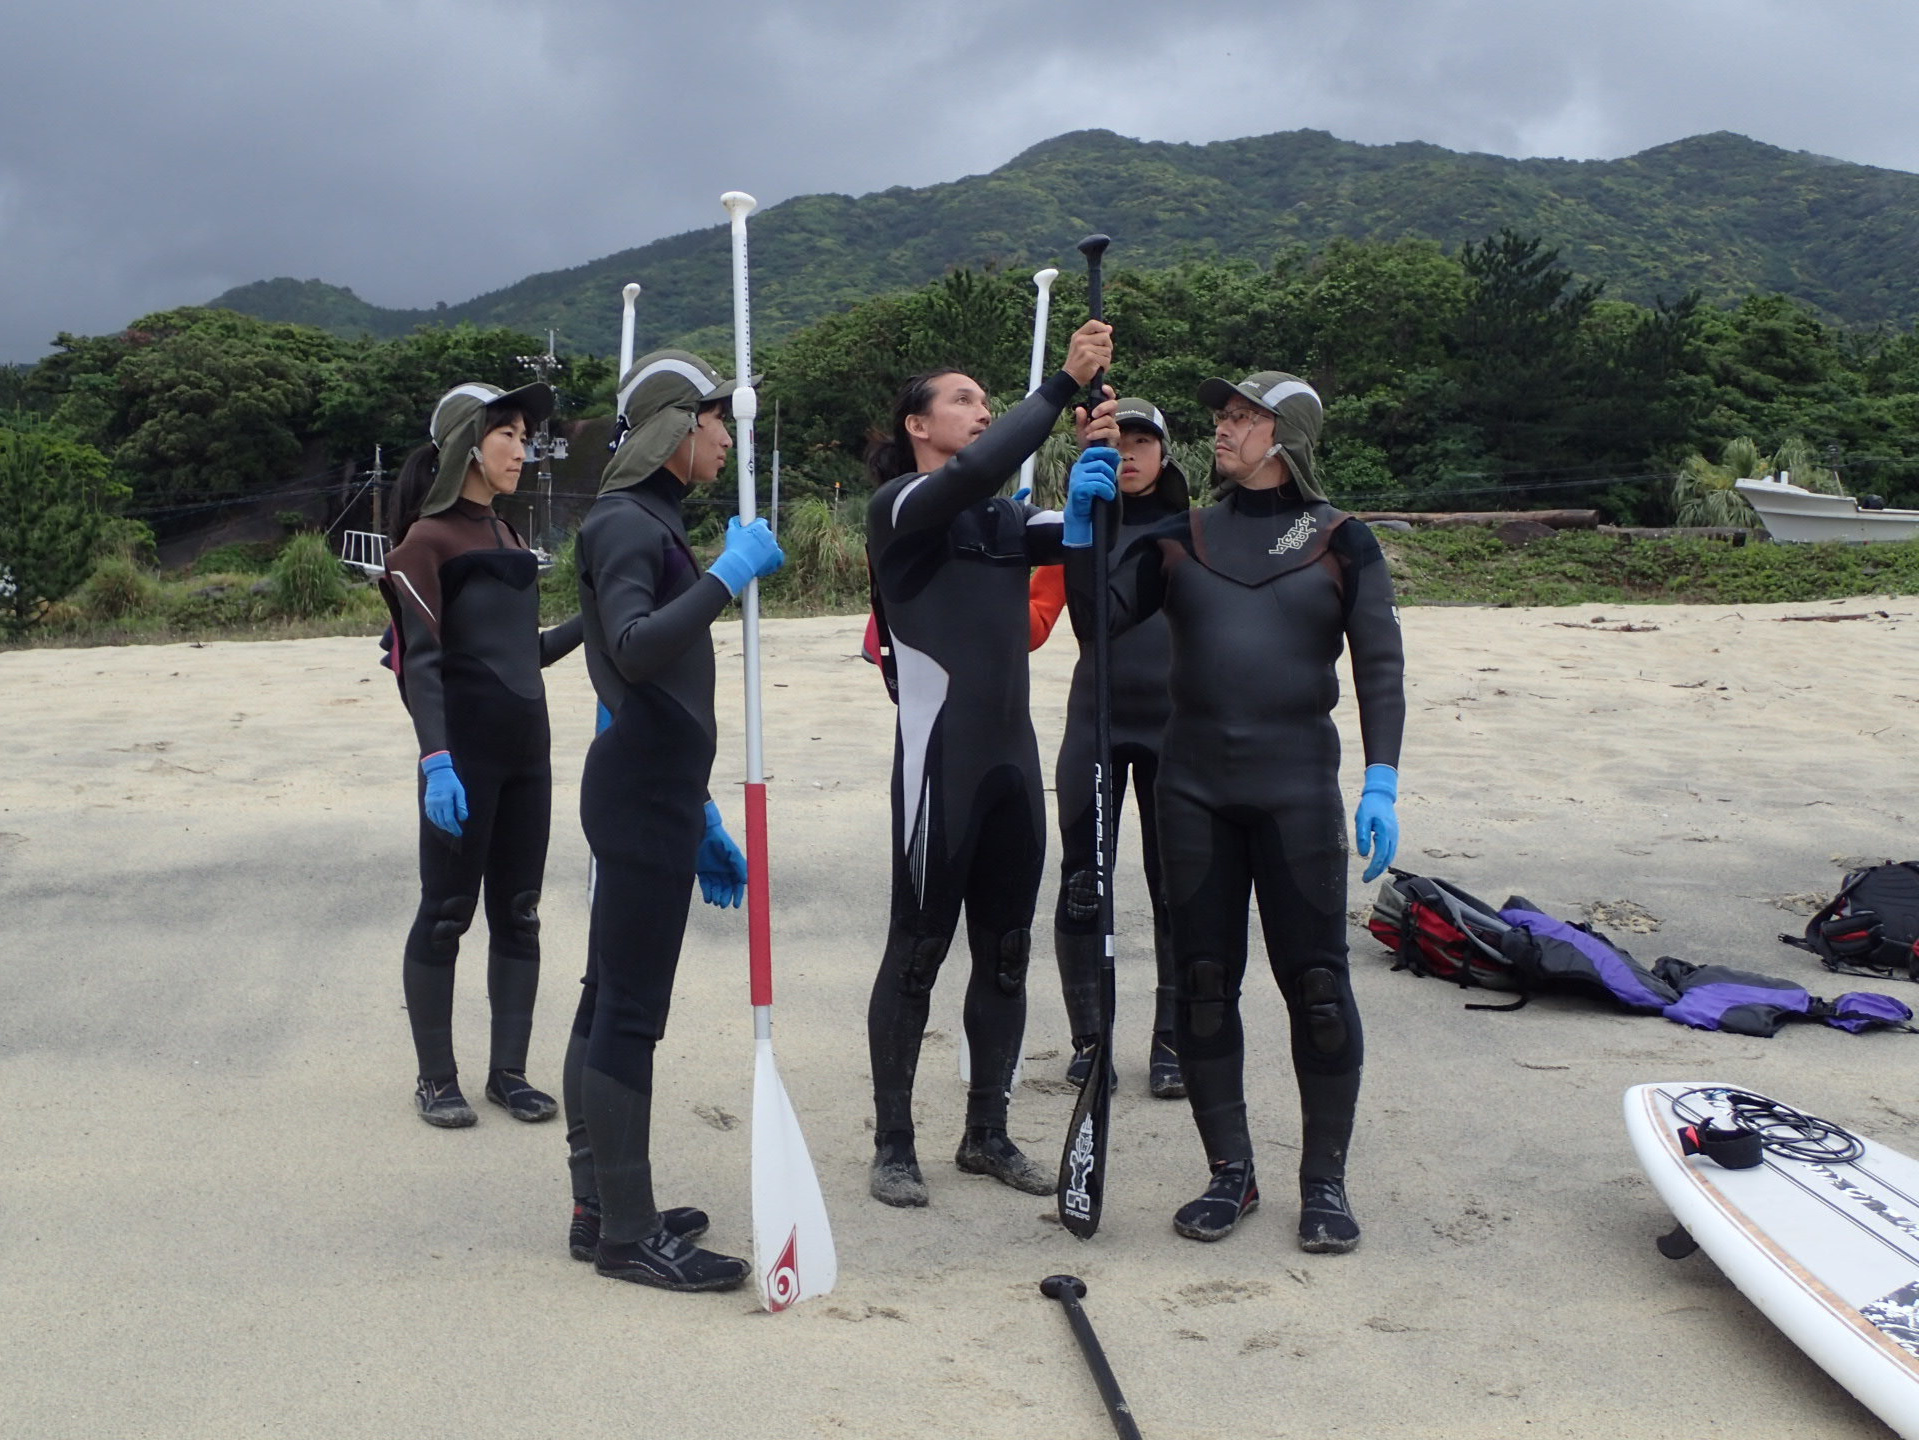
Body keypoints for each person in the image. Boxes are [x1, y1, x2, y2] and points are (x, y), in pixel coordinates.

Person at [1072, 370, 1404, 1252]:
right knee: (1205, 986)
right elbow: (1094, 627)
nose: (1222, 429)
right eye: (1220, 416)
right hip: (1193, 792)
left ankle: (1322, 1183)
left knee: (1319, 989)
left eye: (1243, 417)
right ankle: (1230, 1175)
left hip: (1297, 788)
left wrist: (1382, 780)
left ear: (1286, 436)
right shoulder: (1183, 537)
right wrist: (1081, 528)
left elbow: (1378, 665)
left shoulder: (1342, 540)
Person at [863, 321, 1117, 1207]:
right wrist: (1056, 385)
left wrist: (1103, 467)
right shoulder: (899, 508)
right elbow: (973, 474)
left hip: (1012, 767)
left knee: (1006, 955)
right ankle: (894, 1144)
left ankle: (986, 1133)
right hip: (940, 767)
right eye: (962, 400)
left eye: (984, 399)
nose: (979, 412)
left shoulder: (1010, 520)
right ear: (915, 427)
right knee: (917, 951)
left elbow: (1093, 539)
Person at [566, 349, 784, 1292]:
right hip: (635, 791)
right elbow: (635, 649)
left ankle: (602, 1208)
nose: (726, 438)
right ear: (675, 430)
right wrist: (729, 576)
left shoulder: (647, 521)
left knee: (606, 997)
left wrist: (697, 814)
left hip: (656, 790)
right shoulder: (624, 523)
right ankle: (624, 1234)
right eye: (715, 421)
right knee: (627, 1013)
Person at [379, 381, 582, 1128]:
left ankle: (509, 1074)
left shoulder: (507, 539)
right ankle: (436, 1079)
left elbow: (522, 655)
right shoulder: (422, 546)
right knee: (447, 912)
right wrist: (436, 760)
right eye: (510, 436)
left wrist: (594, 616)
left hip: (530, 755)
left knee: (520, 913)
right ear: (469, 441)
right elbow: (422, 662)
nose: (522, 451)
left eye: (526, 438)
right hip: (463, 761)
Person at [1028, 399, 1189, 1099]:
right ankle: (1089, 1041)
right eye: (1115, 440)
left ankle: (1172, 1042)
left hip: (1176, 726)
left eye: (1142, 440)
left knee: (1175, 887)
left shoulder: (1195, 531)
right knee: (1082, 884)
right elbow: (1033, 623)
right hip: (1095, 718)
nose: (1127, 452)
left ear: (1164, 453)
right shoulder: (1079, 527)